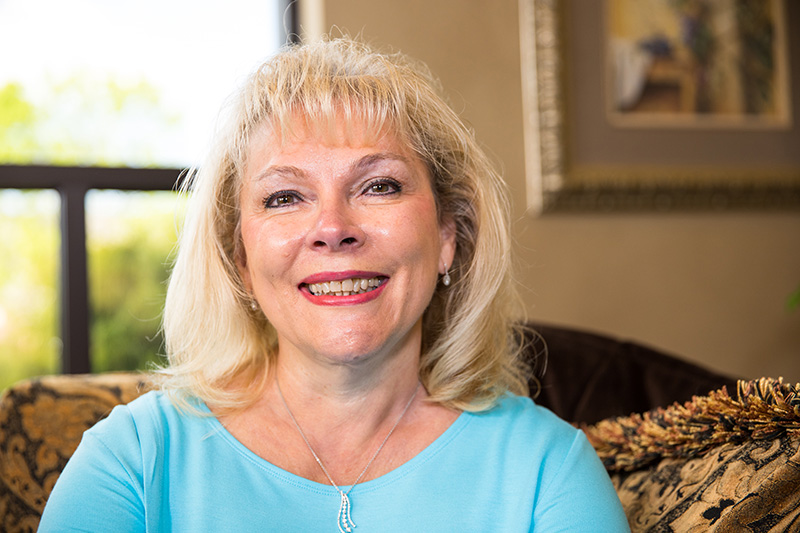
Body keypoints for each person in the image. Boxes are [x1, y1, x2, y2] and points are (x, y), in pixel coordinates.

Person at [40, 38, 629, 532]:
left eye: (379, 186)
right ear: (239, 258)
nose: (332, 229)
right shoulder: (133, 463)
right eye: (285, 197)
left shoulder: (548, 471)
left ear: (448, 233)